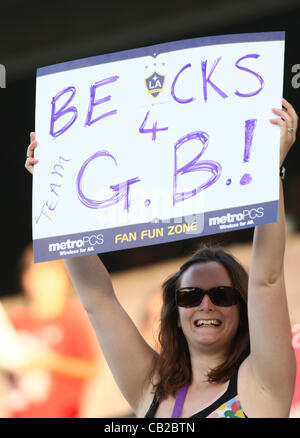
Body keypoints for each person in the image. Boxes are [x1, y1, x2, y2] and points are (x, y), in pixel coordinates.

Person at [25, 98, 298, 418]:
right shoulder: (150, 389)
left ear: (243, 309)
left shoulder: (262, 382)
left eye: (221, 295)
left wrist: (269, 170)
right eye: (190, 295)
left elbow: (267, 280)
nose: (205, 304)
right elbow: (98, 300)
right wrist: (55, 191)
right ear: (175, 312)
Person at [2, 244, 101, 418]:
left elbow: (90, 368)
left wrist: (47, 362)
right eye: (35, 273)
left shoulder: (72, 318)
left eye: (48, 274)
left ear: (66, 278)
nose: (41, 282)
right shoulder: (14, 320)